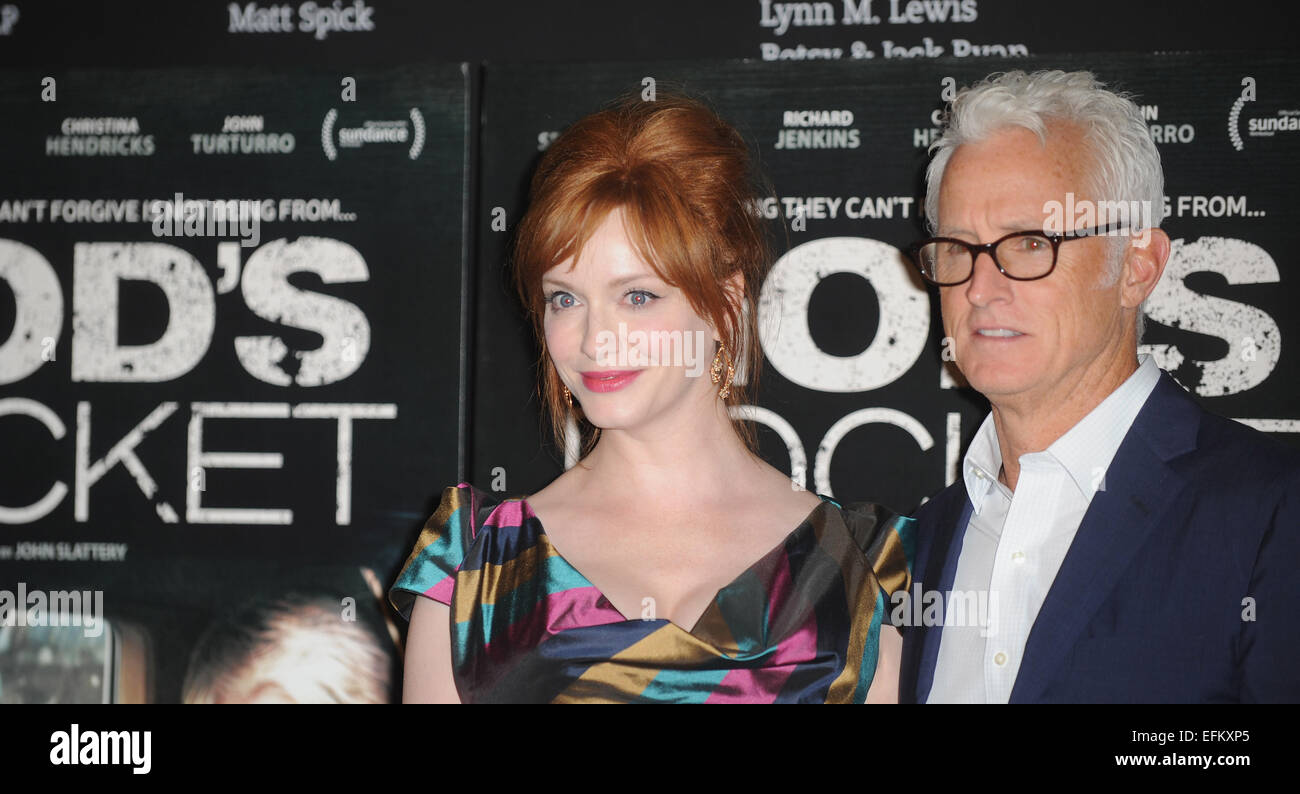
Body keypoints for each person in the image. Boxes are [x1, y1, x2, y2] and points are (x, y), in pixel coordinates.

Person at [389, 93, 913, 703]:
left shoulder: (860, 566)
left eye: (636, 296)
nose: (593, 339)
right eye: (565, 298)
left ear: (724, 303)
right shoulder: (476, 566)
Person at [898, 70, 1300, 703]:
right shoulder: (927, 539)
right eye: (956, 248)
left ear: (1136, 267)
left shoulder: (1271, 509)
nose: (979, 288)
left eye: (1030, 243)